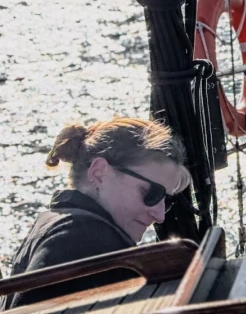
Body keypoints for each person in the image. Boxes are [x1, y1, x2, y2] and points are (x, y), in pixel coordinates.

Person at [1, 117, 191, 310]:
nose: (160, 216)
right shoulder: (83, 238)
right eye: (150, 193)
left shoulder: (56, 223)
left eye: (167, 201)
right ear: (99, 172)